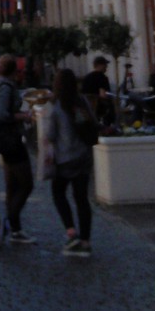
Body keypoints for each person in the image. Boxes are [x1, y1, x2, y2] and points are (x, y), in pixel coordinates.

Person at [43, 67, 96, 257]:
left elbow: (50, 134)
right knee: (82, 198)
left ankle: (71, 232)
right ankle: (86, 241)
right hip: (83, 156)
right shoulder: (81, 101)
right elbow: (93, 122)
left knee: (58, 193)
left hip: (65, 158)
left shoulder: (56, 106)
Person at [0, 53, 35, 245]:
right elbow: (2, 114)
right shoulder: (6, 87)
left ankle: (15, 229)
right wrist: (22, 117)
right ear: (14, 70)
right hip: (12, 141)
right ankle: (9, 223)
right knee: (26, 184)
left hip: (5, 142)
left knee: (12, 186)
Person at [80, 56, 115, 125]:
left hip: (86, 108)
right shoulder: (102, 77)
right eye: (105, 64)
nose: (106, 67)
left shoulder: (87, 78)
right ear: (99, 65)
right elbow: (103, 94)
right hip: (99, 107)